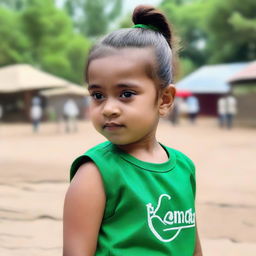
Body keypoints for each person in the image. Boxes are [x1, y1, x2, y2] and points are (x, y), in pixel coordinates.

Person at [63, 5, 202, 256]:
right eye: (97, 95)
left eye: (126, 94)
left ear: (165, 99)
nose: (108, 108)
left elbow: (192, 246)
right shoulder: (95, 175)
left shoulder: (184, 168)